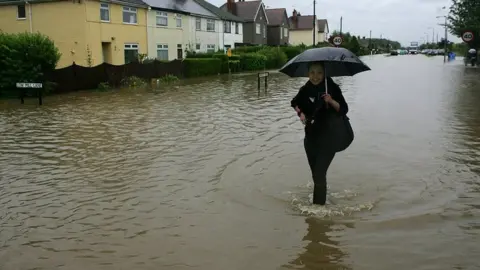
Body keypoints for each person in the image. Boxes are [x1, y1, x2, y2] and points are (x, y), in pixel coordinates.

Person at [290, 62, 349, 205]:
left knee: (319, 173)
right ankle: (321, 201)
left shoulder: (331, 87)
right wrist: (301, 114)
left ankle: (318, 210)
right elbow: (294, 103)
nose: (315, 76)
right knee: (317, 175)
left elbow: (344, 109)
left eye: (319, 73)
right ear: (308, 74)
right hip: (310, 139)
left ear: (324, 73)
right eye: (312, 73)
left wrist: (331, 101)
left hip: (330, 138)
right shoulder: (305, 89)